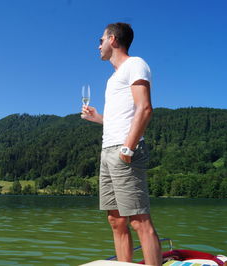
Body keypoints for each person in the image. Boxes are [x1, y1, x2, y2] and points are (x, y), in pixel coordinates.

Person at [81, 22, 162, 265]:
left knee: (139, 220)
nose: (98, 46)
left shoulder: (135, 64)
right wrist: (99, 119)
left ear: (113, 39)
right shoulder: (112, 78)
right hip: (108, 151)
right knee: (115, 220)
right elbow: (121, 119)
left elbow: (144, 108)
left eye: (101, 40)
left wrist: (128, 148)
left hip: (125, 151)